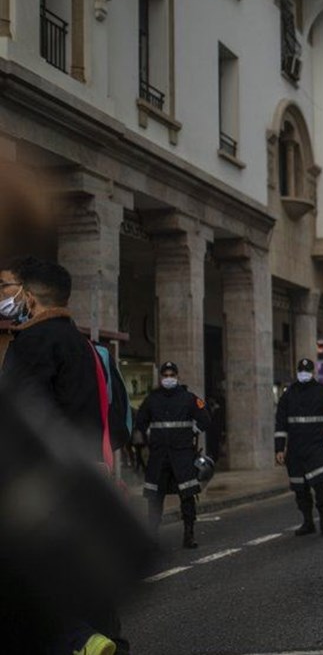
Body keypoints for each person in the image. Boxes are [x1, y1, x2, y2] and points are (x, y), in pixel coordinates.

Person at [0, 258, 128, 654]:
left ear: (29, 295)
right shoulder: (84, 346)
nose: (2, 295)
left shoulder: (33, 344)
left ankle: (79, 642)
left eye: (4, 286)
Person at [135, 361, 211, 549]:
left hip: (182, 455)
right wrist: (143, 440)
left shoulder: (188, 398)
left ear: (177, 376)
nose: (168, 378)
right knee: (155, 498)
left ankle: (189, 534)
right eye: (165, 375)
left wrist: (192, 431)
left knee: (187, 496)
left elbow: (205, 419)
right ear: (161, 377)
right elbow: (140, 423)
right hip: (159, 455)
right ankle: (152, 536)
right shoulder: (152, 399)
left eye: (171, 375)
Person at [275, 358, 323, 537]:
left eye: (306, 371)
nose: (303, 374)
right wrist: (279, 448)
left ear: (312, 373)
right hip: (295, 450)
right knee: (300, 489)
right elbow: (280, 423)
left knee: (321, 486)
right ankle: (307, 522)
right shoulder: (288, 394)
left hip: (317, 447)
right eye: (301, 371)